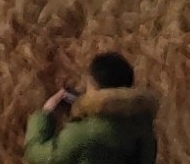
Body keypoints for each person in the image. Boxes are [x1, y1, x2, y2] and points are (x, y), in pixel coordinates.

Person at [23, 51, 159, 163]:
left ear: (94, 86)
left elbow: (39, 155)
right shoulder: (143, 125)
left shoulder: (84, 134)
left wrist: (45, 115)